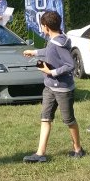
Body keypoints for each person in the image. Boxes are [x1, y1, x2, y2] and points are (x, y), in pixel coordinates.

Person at [21, 10, 84, 162]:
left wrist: (52, 72)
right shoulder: (55, 40)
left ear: (46, 27)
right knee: (45, 118)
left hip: (63, 89)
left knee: (69, 120)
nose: (41, 28)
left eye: (42, 26)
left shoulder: (59, 43)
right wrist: (34, 52)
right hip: (49, 87)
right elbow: (50, 51)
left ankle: (78, 149)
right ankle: (40, 154)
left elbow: (70, 65)